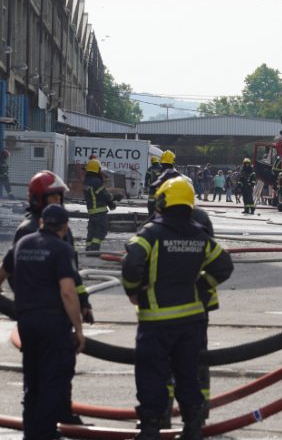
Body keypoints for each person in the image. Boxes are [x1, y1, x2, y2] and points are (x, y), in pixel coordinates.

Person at [122, 179, 234, 440]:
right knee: (187, 375)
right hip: (190, 322)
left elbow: (132, 261)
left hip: (156, 321)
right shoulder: (199, 235)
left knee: (152, 373)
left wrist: (134, 291)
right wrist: (199, 286)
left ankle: (151, 428)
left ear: (162, 202)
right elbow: (224, 266)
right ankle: (192, 428)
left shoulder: (151, 232)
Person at [0, 171, 92, 427]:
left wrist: (85, 304)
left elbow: (73, 275)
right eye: (53, 196)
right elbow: (14, 274)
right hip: (50, 315)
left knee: (61, 370)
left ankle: (61, 414)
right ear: (39, 199)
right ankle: (43, 429)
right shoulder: (27, 230)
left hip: (54, 314)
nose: (57, 200)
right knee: (45, 375)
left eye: (59, 196)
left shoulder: (63, 233)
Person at [141, 163, 216, 428]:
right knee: (196, 361)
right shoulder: (202, 218)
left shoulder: (157, 222)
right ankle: (197, 417)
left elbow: (140, 262)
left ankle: (160, 416)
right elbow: (218, 262)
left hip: (166, 307)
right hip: (198, 305)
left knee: (164, 363)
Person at [83, 159, 121, 251]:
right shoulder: (96, 182)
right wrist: (116, 196)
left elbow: (98, 195)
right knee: (102, 229)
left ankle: (89, 246)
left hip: (91, 211)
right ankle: (94, 247)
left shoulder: (86, 181)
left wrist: (109, 203)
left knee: (92, 229)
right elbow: (105, 196)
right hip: (99, 211)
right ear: (97, 170)